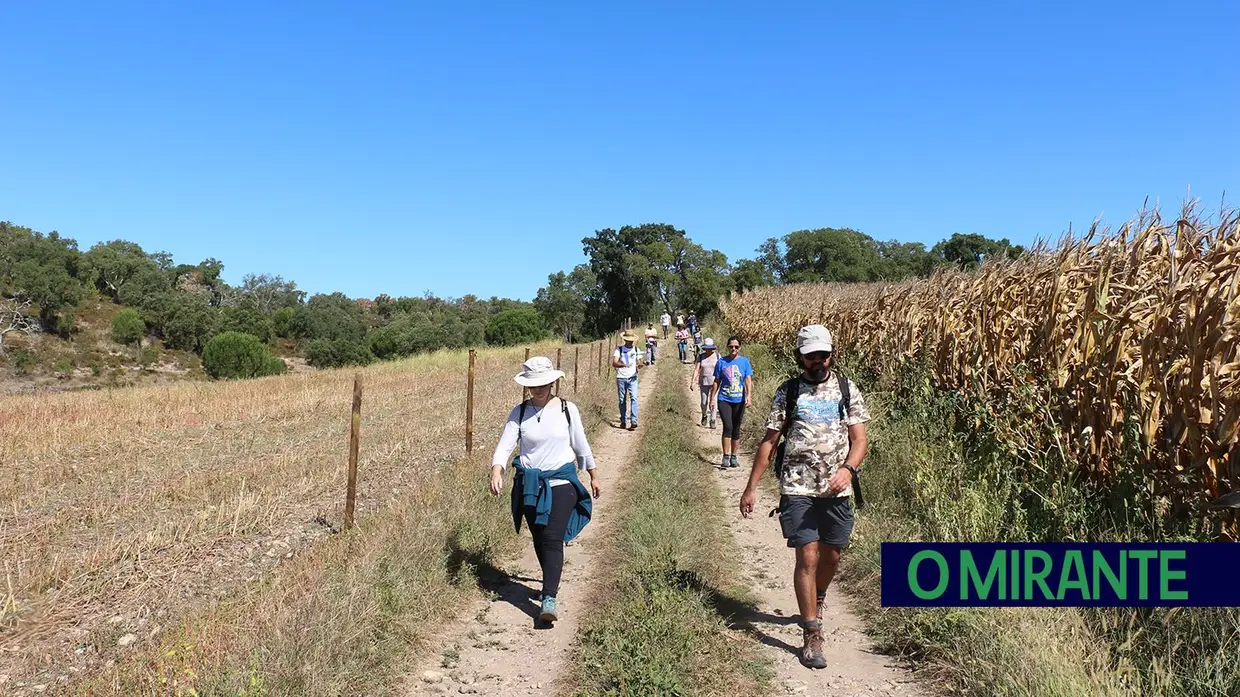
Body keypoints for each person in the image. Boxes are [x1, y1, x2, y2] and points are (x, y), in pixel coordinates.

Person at [739, 324, 870, 670]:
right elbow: (769, 442)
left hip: (837, 488)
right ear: (799, 356)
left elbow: (860, 440)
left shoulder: (846, 388)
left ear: (831, 354)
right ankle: (812, 631)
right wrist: (751, 486)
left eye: (823, 354)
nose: (818, 360)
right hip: (797, 488)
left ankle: (819, 596)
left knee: (833, 556)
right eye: (811, 355)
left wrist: (849, 470)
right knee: (807, 558)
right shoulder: (789, 392)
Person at [490, 356, 602, 625]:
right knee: (540, 538)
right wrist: (497, 469)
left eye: (543, 383)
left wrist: (593, 475)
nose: (538, 389)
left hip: (562, 483)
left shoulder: (567, 409)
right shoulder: (519, 413)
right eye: (533, 385)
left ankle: (548, 598)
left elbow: (581, 445)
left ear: (553, 382)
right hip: (530, 486)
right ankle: (550, 580)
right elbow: (506, 445)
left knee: (552, 537)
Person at [710, 336, 753, 468]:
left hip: (739, 399)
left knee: (736, 428)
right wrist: (712, 398)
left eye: (736, 346)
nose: (733, 349)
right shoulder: (721, 362)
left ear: (739, 347)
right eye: (731, 346)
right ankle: (726, 456)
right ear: (727, 347)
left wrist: (749, 395)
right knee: (728, 426)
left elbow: (747, 379)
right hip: (724, 399)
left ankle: (734, 456)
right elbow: (717, 381)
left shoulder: (744, 362)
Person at [612, 330, 640, 430]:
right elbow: (614, 363)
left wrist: (640, 365)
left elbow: (639, 361)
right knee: (622, 400)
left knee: (634, 398)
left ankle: (633, 420)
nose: (630, 342)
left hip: (632, 378)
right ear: (625, 340)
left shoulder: (636, 350)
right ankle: (623, 420)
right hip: (621, 377)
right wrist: (623, 365)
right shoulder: (619, 349)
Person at [689, 337, 718, 428]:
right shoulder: (701, 357)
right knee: (704, 402)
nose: (708, 350)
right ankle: (704, 415)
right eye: (706, 348)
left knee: (714, 401)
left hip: (715, 382)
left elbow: (721, 369)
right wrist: (692, 382)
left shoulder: (717, 356)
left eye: (710, 348)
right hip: (704, 382)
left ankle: (713, 419)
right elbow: (697, 369)